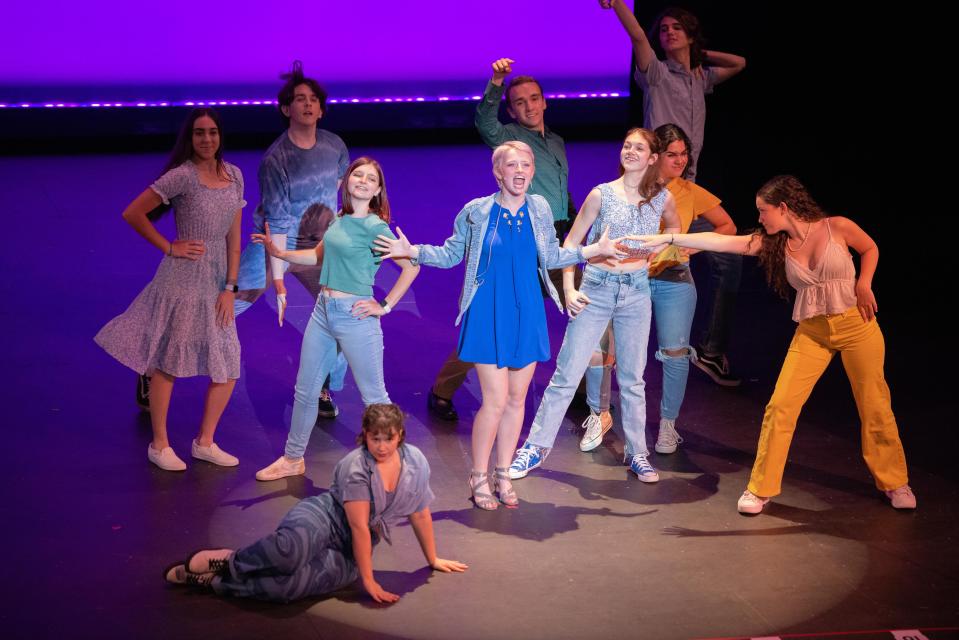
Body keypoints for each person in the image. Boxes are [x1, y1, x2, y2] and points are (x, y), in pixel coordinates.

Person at [635, 175, 916, 513]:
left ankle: (896, 483)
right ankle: (760, 489)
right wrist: (669, 237)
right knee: (780, 407)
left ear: (784, 208)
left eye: (763, 211)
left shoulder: (836, 227)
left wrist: (865, 284)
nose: (760, 218)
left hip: (858, 326)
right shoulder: (775, 244)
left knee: (874, 405)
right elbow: (724, 242)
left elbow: (870, 248)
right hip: (813, 332)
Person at [374, 141, 626, 509]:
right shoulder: (477, 211)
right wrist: (413, 252)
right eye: (512, 165)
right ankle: (478, 476)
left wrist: (591, 251)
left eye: (526, 164)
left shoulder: (539, 208)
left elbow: (553, 255)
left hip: (527, 312)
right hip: (488, 313)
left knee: (516, 399)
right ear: (498, 172)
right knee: (493, 401)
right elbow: (450, 253)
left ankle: (503, 473)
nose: (520, 170)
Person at [508, 128, 680, 483]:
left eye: (639, 148)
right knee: (567, 373)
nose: (630, 151)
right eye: (627, 145)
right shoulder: (601, 194)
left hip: (635, 291)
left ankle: (638, 454)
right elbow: (571, 244)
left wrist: (652, 256)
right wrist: (569, 289)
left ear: (652, 158)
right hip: (598, 287)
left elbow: (675, 232)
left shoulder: (662, 199)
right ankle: (535, 448)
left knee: (633, 379)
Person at [164, 404, 468, 603]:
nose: (382, 446)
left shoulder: (415, 462)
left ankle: (214, 582)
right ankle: (229, 560)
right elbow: (359, 527)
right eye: (375, 439)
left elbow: (420, 512)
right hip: (325, 516)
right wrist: (368, 580)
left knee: (289, 587)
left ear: (400, 436)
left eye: (388, 438)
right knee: (289, 553)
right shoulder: (356, 467)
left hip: (356, 544)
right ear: (365, 436)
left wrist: (433, 558)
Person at [426, 58, 580, 422]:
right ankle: (443, 389)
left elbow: (561, 190)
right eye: (520, 101)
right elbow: (484, 122)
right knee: (490, 325)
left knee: (585, 313)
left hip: (554, 233)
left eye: (534, 98)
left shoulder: (556, 141)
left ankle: (582, 391)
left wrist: (573, 228)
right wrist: (496, 81)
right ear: (512, 109)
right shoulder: (511, 139)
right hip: (520, 237)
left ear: (544, 102)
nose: (529, 106)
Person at [602, 0, 746, 385]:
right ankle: (607, 362)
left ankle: (711, 353)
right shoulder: (657, 74)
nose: (667, 33)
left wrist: (696, 51)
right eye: (663, 29)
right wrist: (617, 5)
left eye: (675, 28)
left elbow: (739, 63)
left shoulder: (700, 76)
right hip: (656, 191)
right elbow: (636, 35)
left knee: (728, 259)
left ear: (691, 33)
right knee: (635, 269)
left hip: (688, 189)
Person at [95, 108, 244, 471]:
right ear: (189, 138)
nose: (206, 139)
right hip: (182, 278)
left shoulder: (234, 175)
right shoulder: (183, 176)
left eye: (212, 132)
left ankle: (205, 442)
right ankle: (159, 444)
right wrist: (169, 246)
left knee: (227, 362)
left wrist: (230, 286)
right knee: (168, 360)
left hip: (215, 282)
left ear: (220, 135)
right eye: (198, 133)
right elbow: (133, 212)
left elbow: (234, 238)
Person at [253, 158, 418, 482]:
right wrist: (281, 253)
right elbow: (317, 256)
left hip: (356, 317)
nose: (363, 181)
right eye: (358, 174)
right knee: (305, 390)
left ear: (378, 189)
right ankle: (292, 459)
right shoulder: (339, 220)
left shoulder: (376, 227)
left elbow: (412, 267)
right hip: (323, 313)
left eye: (371, 178)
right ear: (346, 181)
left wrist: (384, 305)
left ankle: (395, 464)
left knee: (375, 397)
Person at [583, 123, 738, 455]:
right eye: (672, 155)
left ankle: (668, 425)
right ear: (655, 157)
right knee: (601, 349)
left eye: (684, 155)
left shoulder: (690, 192)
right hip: (625, 277)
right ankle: (599, 415)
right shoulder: (626, 187)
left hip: (672, 278)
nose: (680, 161)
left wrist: (689, 248)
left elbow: (727, 226)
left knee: (675, 352)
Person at [233, 60, 350, 418]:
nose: (308, 104)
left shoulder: (334, 145)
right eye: (300, 99)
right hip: (275, 241)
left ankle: (323, 387)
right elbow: (278, 219)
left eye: (314, 99)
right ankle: (158, 366)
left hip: (319, 247)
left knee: (343, 315)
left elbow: (337, 190)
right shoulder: (276, 158)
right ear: (286, 109)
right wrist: (279, 278)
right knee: (227, 305)